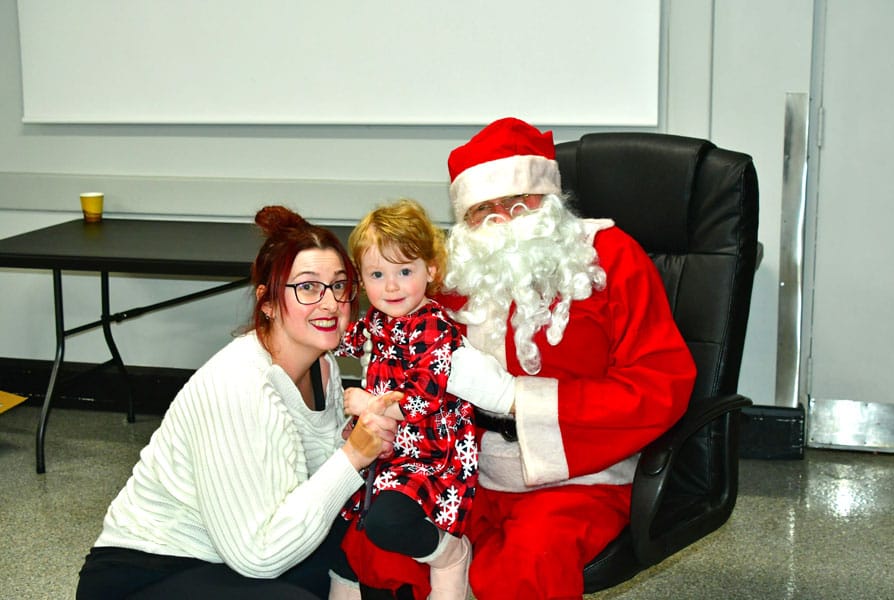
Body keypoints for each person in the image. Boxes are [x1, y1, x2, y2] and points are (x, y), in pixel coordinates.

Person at [361, 117, 697, 600]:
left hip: (581, 477)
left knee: (525, 569)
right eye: (484, 211)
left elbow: (661, 385)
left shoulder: (612, 258)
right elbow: (411, 358)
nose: (504, 218)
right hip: (468, 469)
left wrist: (517, 399)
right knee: (382, 548)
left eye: (519, 203)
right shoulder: (452, 274)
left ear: (551, 201)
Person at [75, 206, 401, 600]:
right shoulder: (240, 383)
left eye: (339, 285)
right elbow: (258, 556)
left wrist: (355, 444)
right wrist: (351, 457)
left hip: (232, 556)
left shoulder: (324, 367)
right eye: (308, 287)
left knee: (383, 566)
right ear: (266, 302)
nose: (330, 303)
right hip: (147, 572)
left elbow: (307, 491)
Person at [330, 199, 476, 600]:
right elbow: (339, 341)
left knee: (386, 523)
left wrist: (366, 404)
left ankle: (449, 556)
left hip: (431, 453)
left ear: (430, 270)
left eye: (404, 271)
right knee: (339, 520)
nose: (390, 286)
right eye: (377, 274)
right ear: (361, 279)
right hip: (387, 447)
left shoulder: (435, 325)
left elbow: (421, 399)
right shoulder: (377, 320)